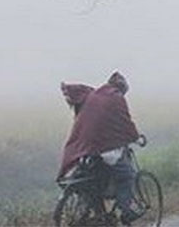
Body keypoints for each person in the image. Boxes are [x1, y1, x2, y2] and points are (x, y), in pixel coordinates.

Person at [58, 71, 145, 224]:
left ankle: (100, 215)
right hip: (105, 148)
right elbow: (125, 122)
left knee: (95, 182)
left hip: (85, 149)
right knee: (127, 176)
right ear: (121, 88)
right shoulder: (116, 98)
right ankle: (127, 211)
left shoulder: (94, 95)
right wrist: (136, 138)